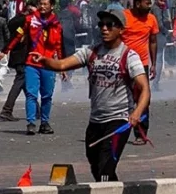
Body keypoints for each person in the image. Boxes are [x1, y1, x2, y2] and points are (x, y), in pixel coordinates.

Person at [31, 9, 150, 181]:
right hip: (96, 121)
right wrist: (45, 61)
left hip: (118, 121)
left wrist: (137, 113)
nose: (104, 29)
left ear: (121, 29)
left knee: (105, 170)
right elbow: (62, 64)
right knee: (96, 167)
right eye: (101, 24)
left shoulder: (129, 56)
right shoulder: (91, 52)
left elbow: (145, 88)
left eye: (110, 25)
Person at [20, 0, 63, 135]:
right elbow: (17, 36)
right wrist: (4, 51)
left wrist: (62, 66)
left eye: (45, 4)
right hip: (32, 63)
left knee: (47, 96)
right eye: (41, 4)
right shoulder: (30, 20)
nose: (42, 6)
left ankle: (44, 123)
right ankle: (31, 123)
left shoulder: (57, 25)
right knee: (31, 94)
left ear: (52, 6)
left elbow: (58, 47)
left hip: (49, 65)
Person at [123, 0, 159, 142]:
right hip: (123, 64)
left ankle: (141, 133)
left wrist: (153, 64)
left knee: (143, 99)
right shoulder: (124, 17)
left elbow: (153, 41)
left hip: (141, 65)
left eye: (150, 3)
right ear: (137, 4)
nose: (149, 6)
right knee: (124, 99)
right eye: (147, 3)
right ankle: (120, 131)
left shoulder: (151, 19)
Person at [0, 2, 32, 122]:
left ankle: (36, 110)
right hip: (23, 56)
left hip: (17, 56)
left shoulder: (14, 20)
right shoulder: (25, 21)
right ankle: (7, 110)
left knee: (26, 84)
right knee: (20, 82)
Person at [150, 0, 172, 91]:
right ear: (156, 0)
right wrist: (166, 32)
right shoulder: (156, 9)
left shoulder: (157, 8)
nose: (163, 3)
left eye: (164, 1)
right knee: (158, 61)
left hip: (155, 36)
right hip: (158, 36)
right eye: (161, 1)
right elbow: (159, 24)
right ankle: (155, 82)